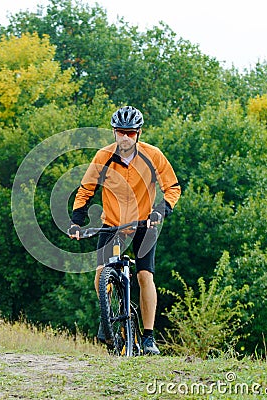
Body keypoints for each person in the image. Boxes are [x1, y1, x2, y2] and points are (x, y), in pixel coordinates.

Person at [68, 106, 181, 355]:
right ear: (114, 132)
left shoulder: (153, 156)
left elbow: (172, 187)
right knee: (101, 275)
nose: (125, 138)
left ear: (138, 133)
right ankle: (109, 317)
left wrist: (160, 211)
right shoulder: (103, 156)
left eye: (130, 133)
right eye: (121, 132)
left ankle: (149, 337)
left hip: (144, 224)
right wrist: (76, 221)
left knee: (144, 277)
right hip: (113, 224)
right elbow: (86, 189)